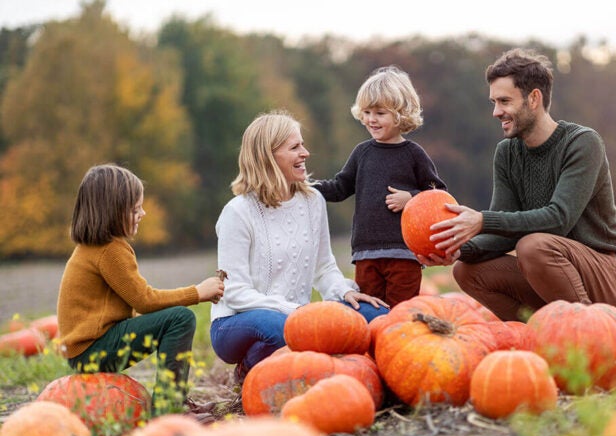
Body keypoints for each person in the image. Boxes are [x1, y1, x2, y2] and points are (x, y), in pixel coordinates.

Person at [417, 48, 616, 321]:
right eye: (493, 102)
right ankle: (540, 336)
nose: (496, 112)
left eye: (504, 101)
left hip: (611, 278)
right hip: (553, 275)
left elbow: (559, 219)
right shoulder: (507, 153)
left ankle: (591, 332)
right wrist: (458, 251)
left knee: (533, 246)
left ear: (533, 98)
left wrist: (481, 220)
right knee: (467, 271)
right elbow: (503, 233)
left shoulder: (582, 142)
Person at [210, 110, 389, 384]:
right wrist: (291, 311)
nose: (305, 153)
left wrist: (343, 292)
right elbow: (234, 293)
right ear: (268, 156)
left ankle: (350, 375)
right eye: (295, 147)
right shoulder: (238, 212)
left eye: (302, 145)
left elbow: (324, 267)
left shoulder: (312, 201)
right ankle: (249, 370)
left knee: (376, 316)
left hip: (296, 316)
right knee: (280, 329)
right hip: (236, 322)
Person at [57, 164, 225, 412]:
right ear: (112, 212)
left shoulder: (94, 248)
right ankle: (169, 408)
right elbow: (145, 300)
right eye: (136, 209)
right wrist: (197, 292)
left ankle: (173, 402)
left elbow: (138, 305)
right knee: (180, 319)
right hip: (93, 350)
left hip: (85, 351)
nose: (143, 213)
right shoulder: (110, 250)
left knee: (171, 319)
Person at [313, 65, 446, 307]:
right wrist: (308, 188)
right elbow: (340, 187)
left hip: (404, 253)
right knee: (368, 312)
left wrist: (412, 198)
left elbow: (439, 196)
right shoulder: (362, 153)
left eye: (380, 113)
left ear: (401, 114)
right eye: (366, 112)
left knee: (398, 314)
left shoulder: (413, 154)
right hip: (366, 253)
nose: (371, 119)